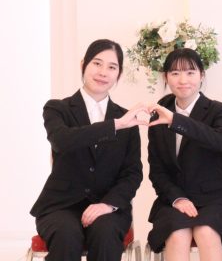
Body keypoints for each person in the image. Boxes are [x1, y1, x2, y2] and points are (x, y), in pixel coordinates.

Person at [30, 39, 143, 261]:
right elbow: (62, 141)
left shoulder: (126, 118)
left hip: (108, 207)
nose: (103, 72)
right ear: (83, 64)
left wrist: (108, 204)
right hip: (61, 206)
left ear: (119, 74)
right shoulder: (57, 108)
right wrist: (115, 125)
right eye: (97, 63)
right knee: (67, 236)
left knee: (105, 233)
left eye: (112, 67)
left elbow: (132, 173)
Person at [146, 48, 222, 261]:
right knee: (178, 235)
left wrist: (175, 121)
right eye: (175, 73)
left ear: (202, 75)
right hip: (173, 199)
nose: (183, 80)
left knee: (206, 232)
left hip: (213, 198)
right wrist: (177, 198)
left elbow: (219, 141)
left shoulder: (218, 110)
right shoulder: (158, 113)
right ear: (166, 77)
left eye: (190, 72)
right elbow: (157, 171)